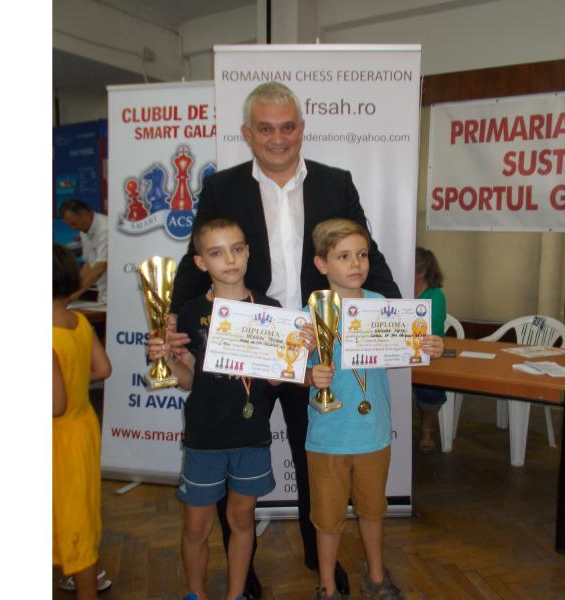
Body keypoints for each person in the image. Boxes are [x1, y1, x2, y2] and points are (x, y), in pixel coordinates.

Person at [168, 81, 401, 598]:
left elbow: (369, 252)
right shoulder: (222, 187)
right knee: (234, 461)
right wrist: (175, 321)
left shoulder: (336, 182)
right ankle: (242, 571)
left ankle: (320, 560)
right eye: (266, 128)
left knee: (313, 460)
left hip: (320, 346)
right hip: (252, 343)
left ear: (302, 128)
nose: (278, 138)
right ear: (248, 133)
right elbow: (193, 262)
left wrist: (397, 318)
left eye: (288, 127)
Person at [301, 219, 443, 600]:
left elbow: (407, 351)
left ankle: (376, 577)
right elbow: (292, 370)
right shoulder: (311, 312)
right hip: (328, 436)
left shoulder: (383, 306)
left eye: (362, 255)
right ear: (321, 264)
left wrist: (429, 347)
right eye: (343, 256)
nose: (356, 264)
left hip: (373, 432)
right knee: (327, 520)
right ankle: (327, 586)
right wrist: (309, 373)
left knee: (373, 510)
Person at [149, 218, 283, 600]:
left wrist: (291, 354)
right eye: (217, 252)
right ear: (201, 261)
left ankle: (235, 594)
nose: (230, 259)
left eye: (237, 249)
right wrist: (166, 358)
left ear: (248, 252)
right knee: (196, 527)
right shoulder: (190, 312)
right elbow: (187, 380)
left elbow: (276, 382)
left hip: (251, 435)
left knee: (242, 519)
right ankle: (197, 594)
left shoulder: (270, 309)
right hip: (204, 437)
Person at [53, 244, 114, 599]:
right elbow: (103, 369)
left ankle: (85, 584)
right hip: (83, 428)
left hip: (59, 438)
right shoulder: (78, 322)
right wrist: (73, 383)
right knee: (79, 510)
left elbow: (54, 405)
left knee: (69, 515)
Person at [412, 247, 449, 454]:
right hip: (401, 353)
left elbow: (432, 331)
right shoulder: (396, 290)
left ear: (421, 273)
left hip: (428, 354)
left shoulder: (435, 296)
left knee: (429, 388)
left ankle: (427, 429)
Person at [58, 199, 109, 303]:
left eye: (74, 223)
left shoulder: (105, 229)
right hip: (104, 295)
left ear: (84, 214)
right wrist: (72, 290)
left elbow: (101, 266)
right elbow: (89, 264)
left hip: (118, 293)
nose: (72, 228)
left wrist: (76, 294)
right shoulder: (84, 229)